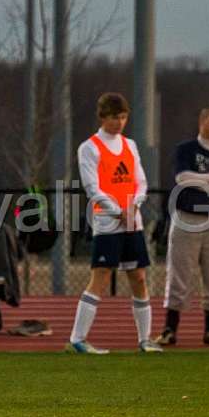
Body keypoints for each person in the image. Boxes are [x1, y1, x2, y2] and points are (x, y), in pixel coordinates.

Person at [70, 93, 161, 354]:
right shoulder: (89, 147)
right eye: (114, 117)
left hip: (133, 221)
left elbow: (140, 181)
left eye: (123, 117)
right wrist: (118, 211)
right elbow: (92, 188)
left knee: (139, 277)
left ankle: (145, 340)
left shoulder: (130, 145)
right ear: (102, 117)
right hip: (107, 223)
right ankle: (78, 338)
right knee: (100, 277)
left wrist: (135, 206)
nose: (119, 122)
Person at [157, 108, 209, 346]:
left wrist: (199, 184)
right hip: (187, 218)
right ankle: (170, 329)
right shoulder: (187, 149)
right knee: (179, 274)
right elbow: (181, 179)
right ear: (202, 121)